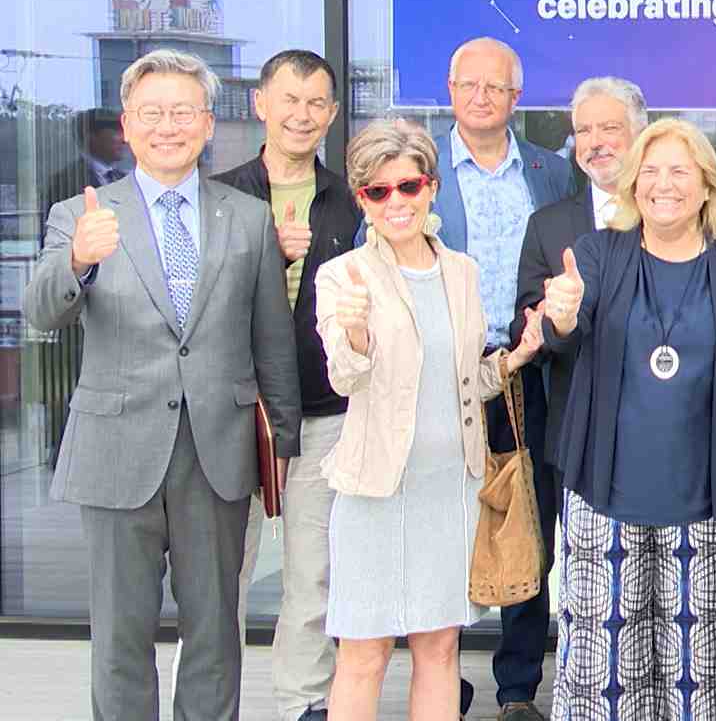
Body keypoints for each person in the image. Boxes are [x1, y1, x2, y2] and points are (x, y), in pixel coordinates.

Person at [25, 48, 303, 721]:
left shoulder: (247, 216)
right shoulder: (81, 213)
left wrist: (283, 444)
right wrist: (77, 259)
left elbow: (272, 340)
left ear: (208, 124)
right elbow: (39, 311)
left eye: (183, 112)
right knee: (121, 635)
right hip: (117, 450)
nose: (168, 126)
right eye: (152, 113)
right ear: (127, 124)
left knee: (215, 634)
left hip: (219, 452)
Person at [536, 118, 716, 719]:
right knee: (601, 675)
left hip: (709, 501)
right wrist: (560, 316)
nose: (662, 185)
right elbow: (566, 333)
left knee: (701, 677)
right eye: (649, 171)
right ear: (632, 184)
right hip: (604, 498)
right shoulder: (598, 253)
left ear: (707, 186)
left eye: (679, 171)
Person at [315, 118, 545, 720]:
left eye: (409, 186)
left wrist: (517, 356)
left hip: (451, 489)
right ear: (362, 200)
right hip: (375, 490)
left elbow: (467, 381)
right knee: (364, 653)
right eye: (378, 191)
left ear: (432, 188)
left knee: (440, 648)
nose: (396, 201)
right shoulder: (343, 276)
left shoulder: (462, 272)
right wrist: (356, 331)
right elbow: (344, 377)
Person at [209, 48, 364, 721]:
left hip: (325, 411)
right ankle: (206, 704)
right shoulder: (217, 196)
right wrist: (270, 255)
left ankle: (304, 703)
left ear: (332, 114)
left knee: (314, 573)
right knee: (220, 576)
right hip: (231, 413)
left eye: (316, 103)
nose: (302, 115)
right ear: (261, 105)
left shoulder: (351, 203)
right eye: (289, 100)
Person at [432, 36, 576, 719]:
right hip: (449, 377)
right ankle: (442, 679)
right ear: (451, 91)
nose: (481, 97)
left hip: (528, 375)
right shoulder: (423, 167)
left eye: (496, 87)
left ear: (516, 98)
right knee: (447, 526)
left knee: (528, 522)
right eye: (469, 85)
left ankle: (517, 687)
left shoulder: (552, 172)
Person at [507, 76, 648, 609]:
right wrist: (549, 320)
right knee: (591, 587)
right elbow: (528, 324)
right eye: (584, 131)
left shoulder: (671, 212)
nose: (596, 142)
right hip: (579, 430)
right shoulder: (548, 225)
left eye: (609, 128)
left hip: (666, 428)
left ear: (639, 133)